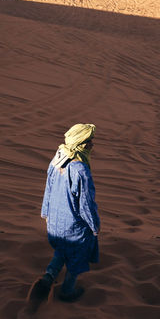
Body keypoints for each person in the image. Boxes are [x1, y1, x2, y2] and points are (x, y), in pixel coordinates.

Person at [34, 123, 100, 302]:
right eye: (89, 141)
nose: (92, 145)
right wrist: (94, 226)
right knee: (77, 257)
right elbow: (86, 204)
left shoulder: (57, 158)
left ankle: (48, 277)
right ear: (81, 144)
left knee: (61, 251)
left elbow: (48, 188)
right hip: (73, 227)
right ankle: (67, 290)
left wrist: (45, 214)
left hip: (54, 222)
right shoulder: (81, 170)